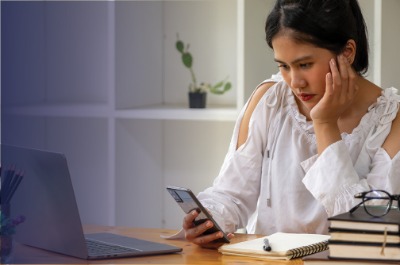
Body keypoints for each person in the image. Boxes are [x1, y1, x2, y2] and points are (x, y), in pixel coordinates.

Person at [181, 0, 400, 247]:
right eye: (284, 66)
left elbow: (370, 234)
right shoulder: (270, 100)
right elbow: (231, 194)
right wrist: (211, 220)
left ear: (347, 52)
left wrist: (325, 124)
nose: (295, 82)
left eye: (304, 65)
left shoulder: (391, 119)